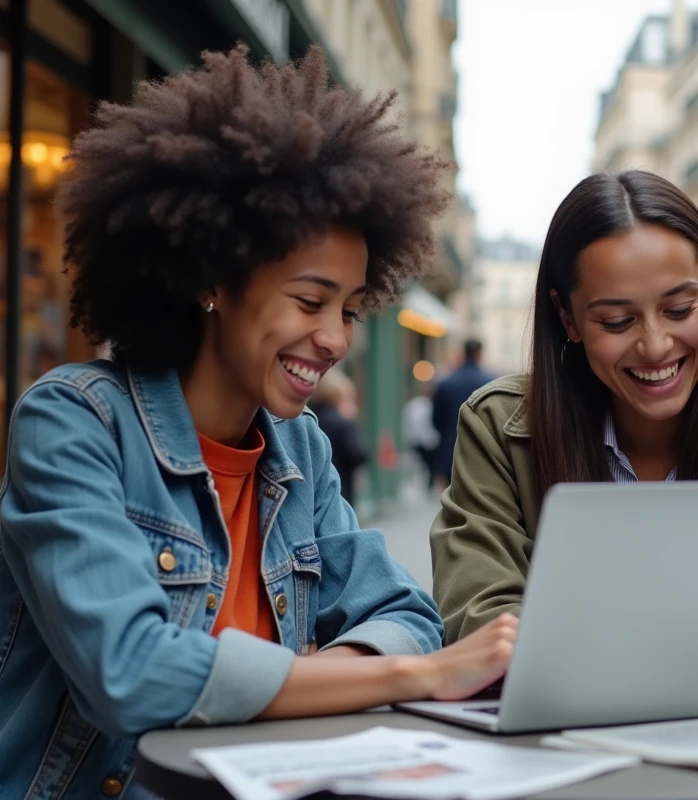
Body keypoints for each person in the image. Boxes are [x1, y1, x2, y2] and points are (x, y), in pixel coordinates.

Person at [0, 45, 516, 800]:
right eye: (310, 302)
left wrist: (293, 675)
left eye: (348, 309)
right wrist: (409, 676)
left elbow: (405, 611)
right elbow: (132, 673)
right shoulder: (74, 421)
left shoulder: (298, 447)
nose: (337, 339)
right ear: (213, 279)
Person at [431, 170, 698, 644]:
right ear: (567, 318)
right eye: (618, 321)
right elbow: (479, 618)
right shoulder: (498, 427)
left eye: (680, 310)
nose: (656, 346)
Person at [431, 339, 492, 488]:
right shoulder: (489, 383)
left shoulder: (446, 383)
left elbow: (436, 420)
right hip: (481, 453)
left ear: (464, 354)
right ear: (479, 354)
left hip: (450, 451)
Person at [309, 368, 369, 507]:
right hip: (340, 492)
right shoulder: (341, 423)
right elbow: (359, 454)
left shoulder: (309, 417)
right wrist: (352, 423)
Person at [404, 380, 440, 493]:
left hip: (432, 442)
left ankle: (430, 483)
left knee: (431, 466)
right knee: (422, 466)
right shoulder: (414, 405)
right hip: (419, 442)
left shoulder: (434, 403)